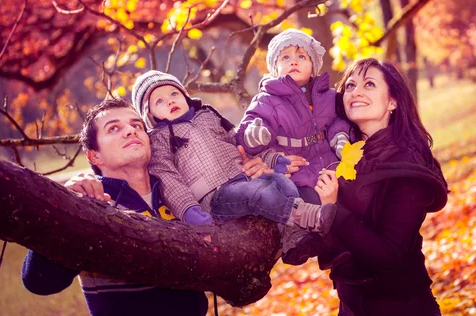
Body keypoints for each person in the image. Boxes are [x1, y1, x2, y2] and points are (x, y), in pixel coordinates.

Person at [21, 98, 209, 316]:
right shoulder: (91, 204)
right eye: (114, 128)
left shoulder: (179, 194)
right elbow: (40, 282)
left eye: (137, 125)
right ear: (94, 155)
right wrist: (64, 213)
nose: (130, 131)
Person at [130, 70, 337, 251]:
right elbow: (168, 179)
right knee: (258, 193)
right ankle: (309, 216)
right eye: (159, 101)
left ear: (185, 95)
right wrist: (188, 210)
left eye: (174, 93)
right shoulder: (159, 139)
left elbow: (241, 144)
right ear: (150, 115)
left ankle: (294, 239)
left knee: (281, 183)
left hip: (243, 177)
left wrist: (273, 160)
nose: (170, 101)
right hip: (215, 196)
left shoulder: (208, 115)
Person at [315, 58, 448, 316]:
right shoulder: (341, 156)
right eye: (350, 85)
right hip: (351, 306)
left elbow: (389, 255)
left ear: (392, 102)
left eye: (369, 84)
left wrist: (333, 209)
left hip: (400, 307)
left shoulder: (406, 166)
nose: (356, 92)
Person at [236, 28, 351, 205]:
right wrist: (255, 133)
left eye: (302, 57)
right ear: (275, 69)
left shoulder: (329, 96)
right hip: (296, 172)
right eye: (285, 57)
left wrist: (340, 136)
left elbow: (338, 120)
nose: (294, 62)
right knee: (309, 202)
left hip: (331, 165)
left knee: (349, 195)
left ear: (313, 68)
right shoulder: (267, 100)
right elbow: (254, 121)